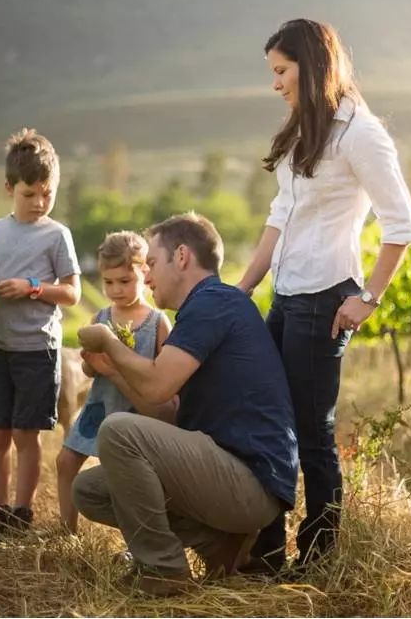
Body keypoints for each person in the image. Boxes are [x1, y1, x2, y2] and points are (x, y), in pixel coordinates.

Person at [236, 18, 411, 574]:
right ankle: (265, 553)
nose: (276, 84)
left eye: (282, 71)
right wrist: (243, 287)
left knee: (312, 433)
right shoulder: (303, 130)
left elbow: (402, 224)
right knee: (268, 419)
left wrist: (369, 297)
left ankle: (317, 560)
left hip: (326, 297)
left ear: (311, 66)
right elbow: (280, 216)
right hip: (287, 295)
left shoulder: (360, 133)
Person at [72, 213, 298, 596]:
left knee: (117, 431)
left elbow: (157, 386)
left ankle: (164, 570)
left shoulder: (212, 302)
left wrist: (110, 341)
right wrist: (112, 369)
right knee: (90, 490)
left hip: (250, 483)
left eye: (152, 264)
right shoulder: (206, 308)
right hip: (225, 475)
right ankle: (217, 543)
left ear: (182, 256)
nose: (146, 277)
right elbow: (164, 410)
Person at [0, 128, 82, 537]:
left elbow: (72, 292)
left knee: (27, 436)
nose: (39, 202)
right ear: (9, 187)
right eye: (30, 194)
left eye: (47, 194)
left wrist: (32, 287)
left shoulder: (57, 235)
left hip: (37, 351)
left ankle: (21, 513)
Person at [56, 231, 174, 533]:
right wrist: (90, 360)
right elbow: (90, 370)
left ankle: (134, 540)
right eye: (108, 282)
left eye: (124, 281)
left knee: (125, 477)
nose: (116, 290)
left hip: (135, 411)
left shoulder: (157, 321)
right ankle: (66, 531)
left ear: (144, 273)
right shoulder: (102, 316)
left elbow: (166, 371)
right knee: (66, 461)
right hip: (100, 405)